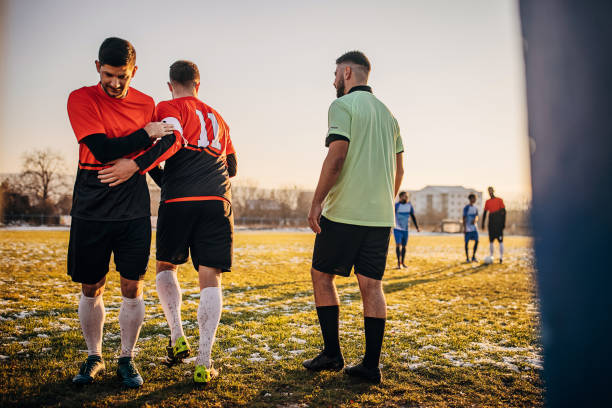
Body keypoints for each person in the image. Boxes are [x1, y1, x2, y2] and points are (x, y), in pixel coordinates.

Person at [98, 60, 237, 385]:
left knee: (165, 266)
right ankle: (204, 362)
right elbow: (231, 166)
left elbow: (169, 141)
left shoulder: (168, 106)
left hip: (178, 201)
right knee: (210, 277)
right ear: (198, 85)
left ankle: (177, 336)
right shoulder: (219, 118)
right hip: (218, 200)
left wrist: (149, 170)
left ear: (171, 85)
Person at [66, 37, 175, 388]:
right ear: (98, 67)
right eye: (108, 74)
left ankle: (127, 358)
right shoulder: (80, 98)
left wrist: (145, 169)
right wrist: (144, 135)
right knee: (91, 285)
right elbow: (101, 149)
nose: (114, 83)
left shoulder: (147, 103)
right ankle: (94, 356)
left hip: (132, 203)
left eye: (122, 76)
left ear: (134, 72)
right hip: (92, 198)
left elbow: (166, 146)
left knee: (132, 285)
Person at [302, 50, 404, 384]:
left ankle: (332, 353)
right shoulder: (389, 115)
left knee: (321, 276)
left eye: (335, 74)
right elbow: (399, 168)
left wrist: (316, 201)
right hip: (380, 216)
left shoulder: (342, 106)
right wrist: (382, 202)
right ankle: (370, 366)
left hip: (344, 211)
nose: (333, 81)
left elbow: (337, 155)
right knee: (372, 285)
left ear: (347, 72)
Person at [393, 192, 420, 269]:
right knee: (398, 245)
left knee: (404, 246)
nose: (406, 198)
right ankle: (398, 263)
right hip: (397, 228)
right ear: (400, 197)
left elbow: (413, 217)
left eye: (407, 196)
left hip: (406, 229)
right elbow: (392, 216)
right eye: (404, 196)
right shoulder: (396, 206)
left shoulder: (409, 206)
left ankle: (403, 262)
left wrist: (417, 227)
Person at [481, 186, 506, 263]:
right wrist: (483, 223)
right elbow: (485, 213)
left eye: (491, 190)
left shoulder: (499, 200)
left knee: (500, 241)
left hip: (498, 223)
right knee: (491, 240)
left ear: (493, 191)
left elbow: (504, 212)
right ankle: (491, 256)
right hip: (491, 223)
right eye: (489, 191)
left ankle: (501, 257)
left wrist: (503, 223)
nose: (490, 192)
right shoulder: (487, 202)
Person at [463, 193, 480, 263]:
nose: (475, 200)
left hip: (474, 228)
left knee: (477, 241)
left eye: (475, 199)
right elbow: (463, 217)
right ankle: (467, 258)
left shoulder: (475, 208)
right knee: (466, 243)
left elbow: (477, 216)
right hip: (467, 228)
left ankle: (473, 257)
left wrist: (475, 220)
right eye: (473, 198)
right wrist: (464, 228)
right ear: (470, 199)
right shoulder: (466, 208)